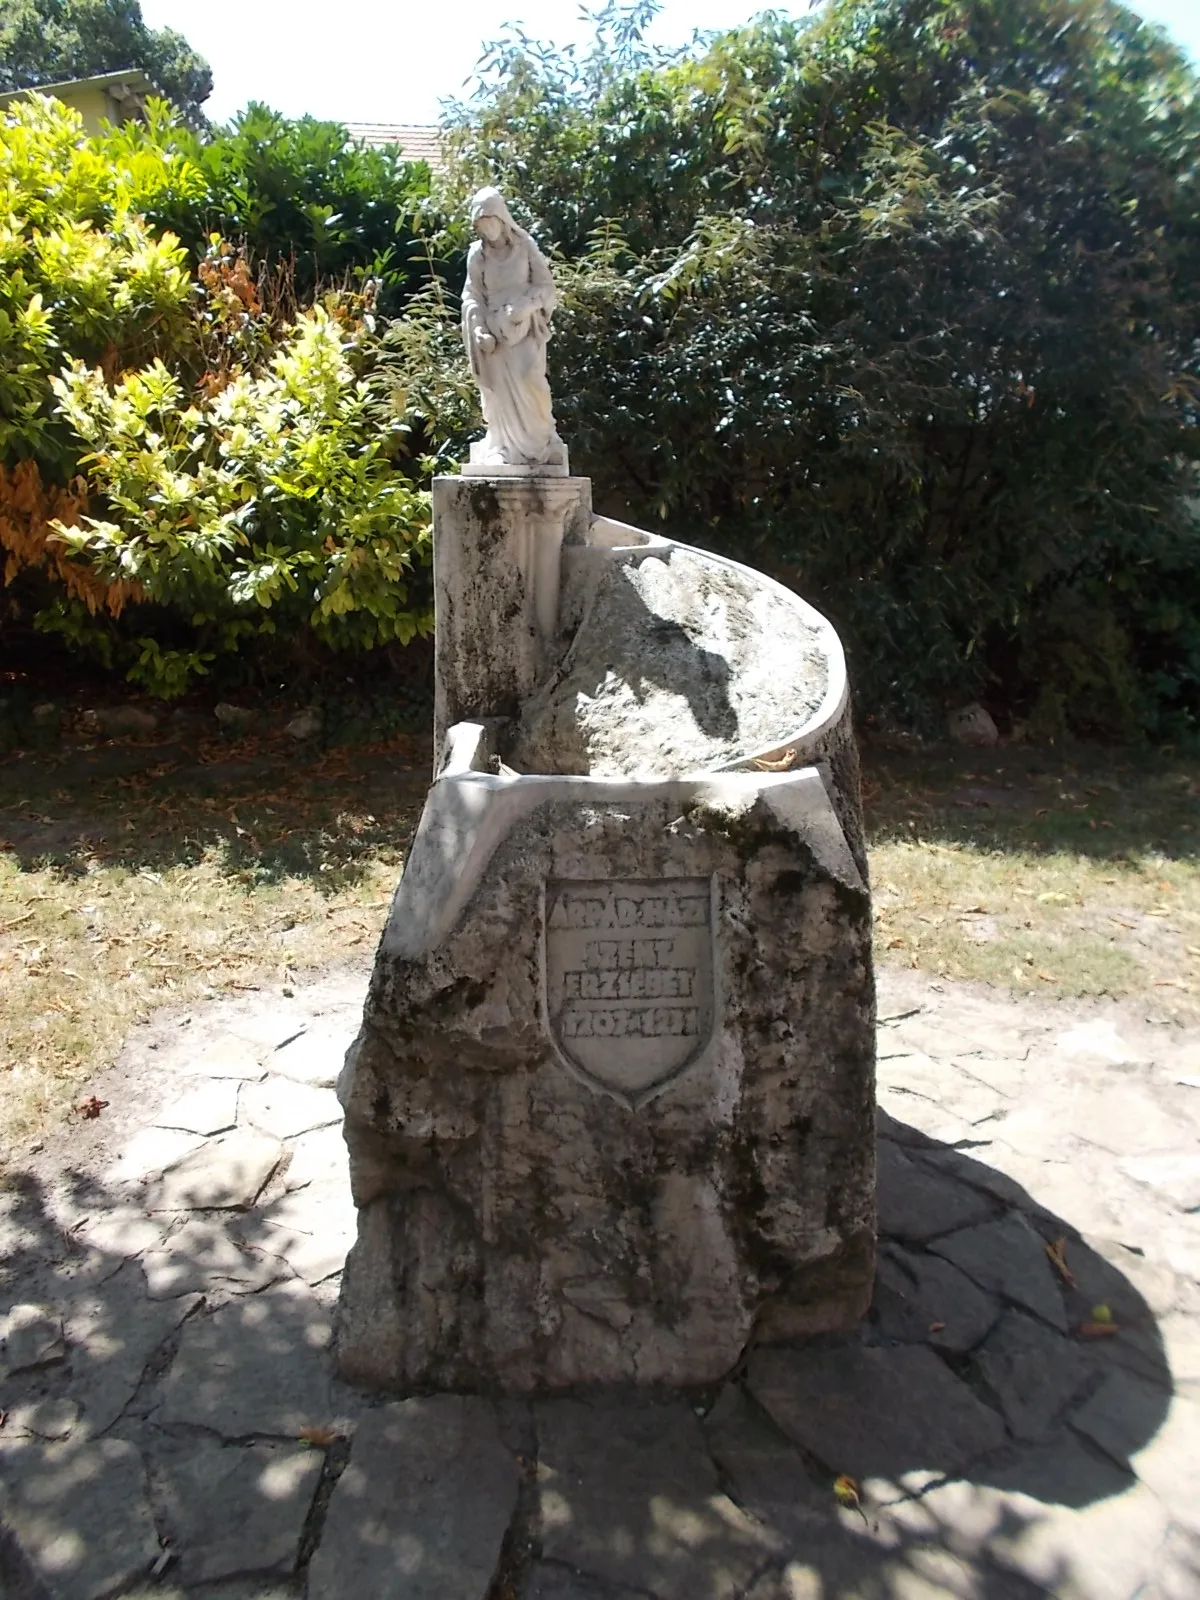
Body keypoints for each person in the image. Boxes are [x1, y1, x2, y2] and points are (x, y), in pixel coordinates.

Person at [461, 188, 566, 468]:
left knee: (532, 379)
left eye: (489, 221)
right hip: (495, 334)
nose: (486, 229)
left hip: (525, 328)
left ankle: (541, 442)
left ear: (502, 218)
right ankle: (502, 446)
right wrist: (480, 329)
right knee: (498, 391)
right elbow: (472, 296)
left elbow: (546, 287)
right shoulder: (477, 255)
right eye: (480, 224)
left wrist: (527, 305)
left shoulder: (525, 245)